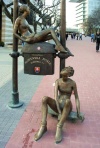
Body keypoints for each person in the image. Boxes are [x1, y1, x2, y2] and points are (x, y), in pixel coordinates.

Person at [34, 66, 83, 143]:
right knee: (44, 99)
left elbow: (76, 98)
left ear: (69, 75)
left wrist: (78, 111)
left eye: (65, 75)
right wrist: (59, 112)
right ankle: (43, 126)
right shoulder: (57, 81)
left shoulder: (73, 83)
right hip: (58, 105)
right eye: (62, 75)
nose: (63, 76)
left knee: (67, 101)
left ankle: (59, 126)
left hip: (67, 106)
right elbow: (56, 97)